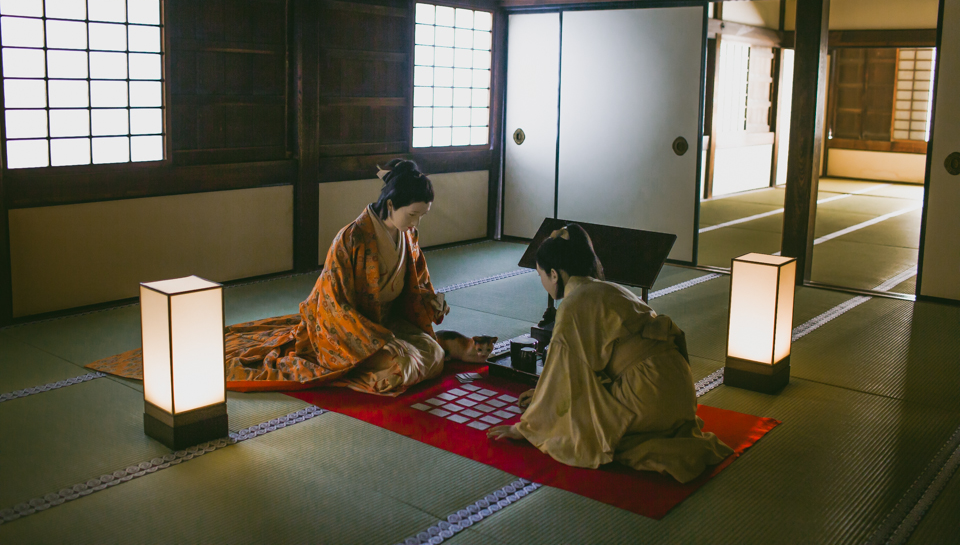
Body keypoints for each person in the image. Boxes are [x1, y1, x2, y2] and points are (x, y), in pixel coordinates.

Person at [487, 224, 733, 483]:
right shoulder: (610, 289)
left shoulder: (573, 304)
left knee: (581, 427)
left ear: (554, 275)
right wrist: (541, 394)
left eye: (541, 276)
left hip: (650, 396)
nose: (542, 283)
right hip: (679, 391)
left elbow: (564, 373)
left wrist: (525, 428)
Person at [221, 158, 448, 394]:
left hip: (386, 323)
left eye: (422, 216)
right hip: (345, 328)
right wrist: (376, 339)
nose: (416, 223)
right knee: (403, 361)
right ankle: (389, 369)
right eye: (412, 214)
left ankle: (391, 371)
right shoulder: (352, 238)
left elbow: (417, 284)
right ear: (390, 205)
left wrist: (431, 301)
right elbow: (333, 303)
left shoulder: (408, 236)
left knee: (435, 353)